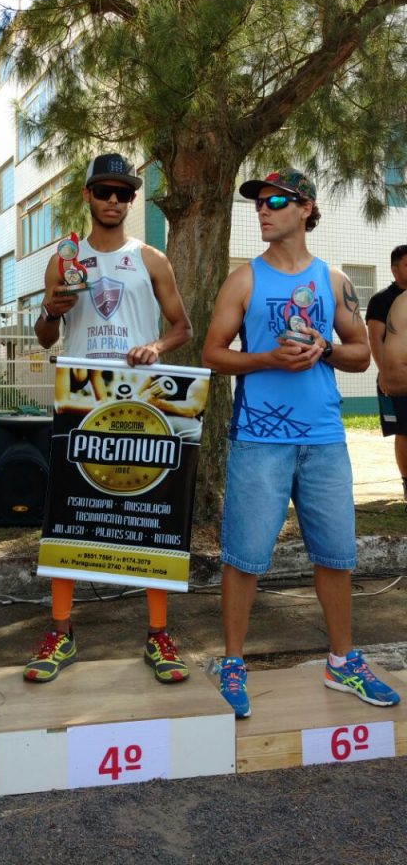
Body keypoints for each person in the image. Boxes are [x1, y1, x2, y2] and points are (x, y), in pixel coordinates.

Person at [202, 167, 400, 718]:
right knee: (244, 557)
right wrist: (267, 358)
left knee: (336, 555)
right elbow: (213, 353)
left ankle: (342, 661)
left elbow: (360, 352)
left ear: (306, 208)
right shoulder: (243, 280)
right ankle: (233, 662)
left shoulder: (333, 280)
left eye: (275, 202)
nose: (262, 211)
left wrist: (324, 349)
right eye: (258, 203)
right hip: (258, 439)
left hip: (324, 439)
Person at [25, 151, 192, 684]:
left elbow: (182, 327)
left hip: (140, 399)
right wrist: (51, 309)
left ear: (132, 200)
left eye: (124, 193)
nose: (114, 201)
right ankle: (61, 631)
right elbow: (44, 337)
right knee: (69, 512)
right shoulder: (64, 259)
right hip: (80, 396)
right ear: (88, 196)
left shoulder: (150, 258)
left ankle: (158, 634)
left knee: (152, 513)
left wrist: (155, 346)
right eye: (105, 192)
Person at [366, 246, 407, 506]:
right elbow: (375, 338)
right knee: (404, 431)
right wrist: (385, 372)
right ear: (394, 269)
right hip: (395, 378)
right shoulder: (382, 300)